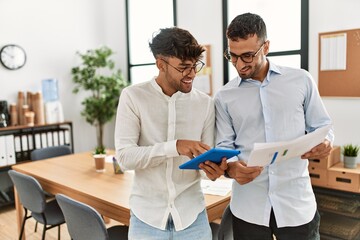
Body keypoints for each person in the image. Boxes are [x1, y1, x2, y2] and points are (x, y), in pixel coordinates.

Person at [215, 13, 334, 240]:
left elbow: (323, 126)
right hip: (248, 206)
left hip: (296, 204)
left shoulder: (301, 80)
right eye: (233, 56)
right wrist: (231, 168)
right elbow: (224, 145)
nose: (239, 64)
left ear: (266, 47)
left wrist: (326, 142)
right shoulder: (224, 96)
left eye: (248, 56)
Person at [114, 27, 227, 240]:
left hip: (192, 217)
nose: (192, 74)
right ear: (160, 64)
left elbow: (204, 167)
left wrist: (212, 170)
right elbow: (125, 158)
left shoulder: (205, 104)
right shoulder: (133, 97)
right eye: (184, 67)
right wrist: (174, 147)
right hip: (146, 218)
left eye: (195, 66)